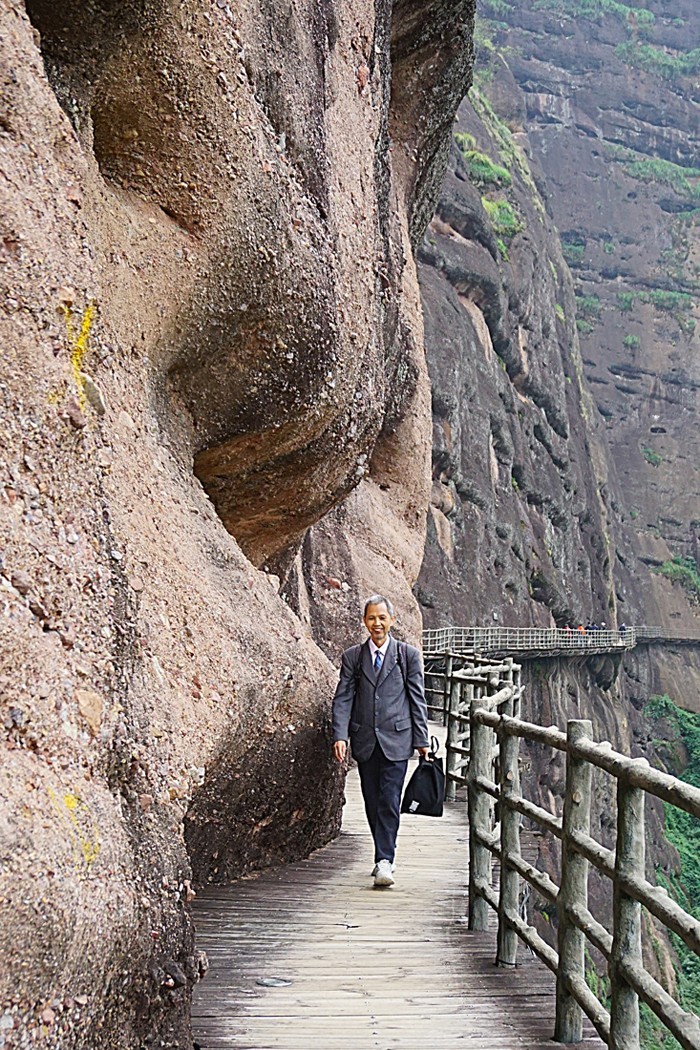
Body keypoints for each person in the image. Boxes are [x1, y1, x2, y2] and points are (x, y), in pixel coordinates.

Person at [332, 595, 430, 888]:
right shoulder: (353, 657)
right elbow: (343, 698)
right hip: (365, 740)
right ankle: (383, 851)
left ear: (392, 620)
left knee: (389, 799)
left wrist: (422, 738)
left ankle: (384, 859)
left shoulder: (407, 656)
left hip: (397, 739)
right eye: (372, 618)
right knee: (372, 801)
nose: (377, 623)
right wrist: (340, 735)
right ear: (365, 621)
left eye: (382, 618)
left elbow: (417, 699)